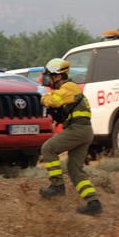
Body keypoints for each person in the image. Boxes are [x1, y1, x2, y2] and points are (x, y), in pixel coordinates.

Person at [38, 58, 102, 215]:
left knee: (48, 148)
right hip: (84, 131)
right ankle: (93, 202)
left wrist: (43, 97)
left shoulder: (69, 87)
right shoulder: (68, 89)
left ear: (58, 76)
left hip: (78, 130)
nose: (49, 80)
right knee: (74, 170)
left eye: (50, 76)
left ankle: (57, 186)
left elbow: (54, 100)